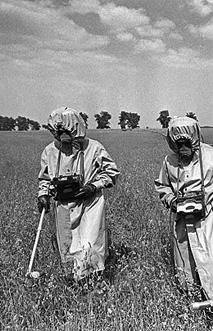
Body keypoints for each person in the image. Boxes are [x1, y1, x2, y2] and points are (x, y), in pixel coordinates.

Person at [155, 116, 213, 301]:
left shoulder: (212, 155)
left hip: (209, 217)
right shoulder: (169, 161)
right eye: (178, 144)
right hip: (183, 219)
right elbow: (162, 186)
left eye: (186, 143)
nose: (182, 148)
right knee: (187, 262)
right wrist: (172, 201)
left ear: (194, 138)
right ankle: (193, 298)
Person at [37, 107, 120, 282]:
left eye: (66, 131)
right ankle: (73, 283)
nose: (64, 137)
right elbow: (44, 177)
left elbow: (112, 172)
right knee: (67, 244)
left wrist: (93, 186)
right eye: (59, 133)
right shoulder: (50, 151)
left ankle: (93, 283)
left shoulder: (94, 148)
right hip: (63, 206)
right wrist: (43, 194)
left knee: (90, 244)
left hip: (90, 204)